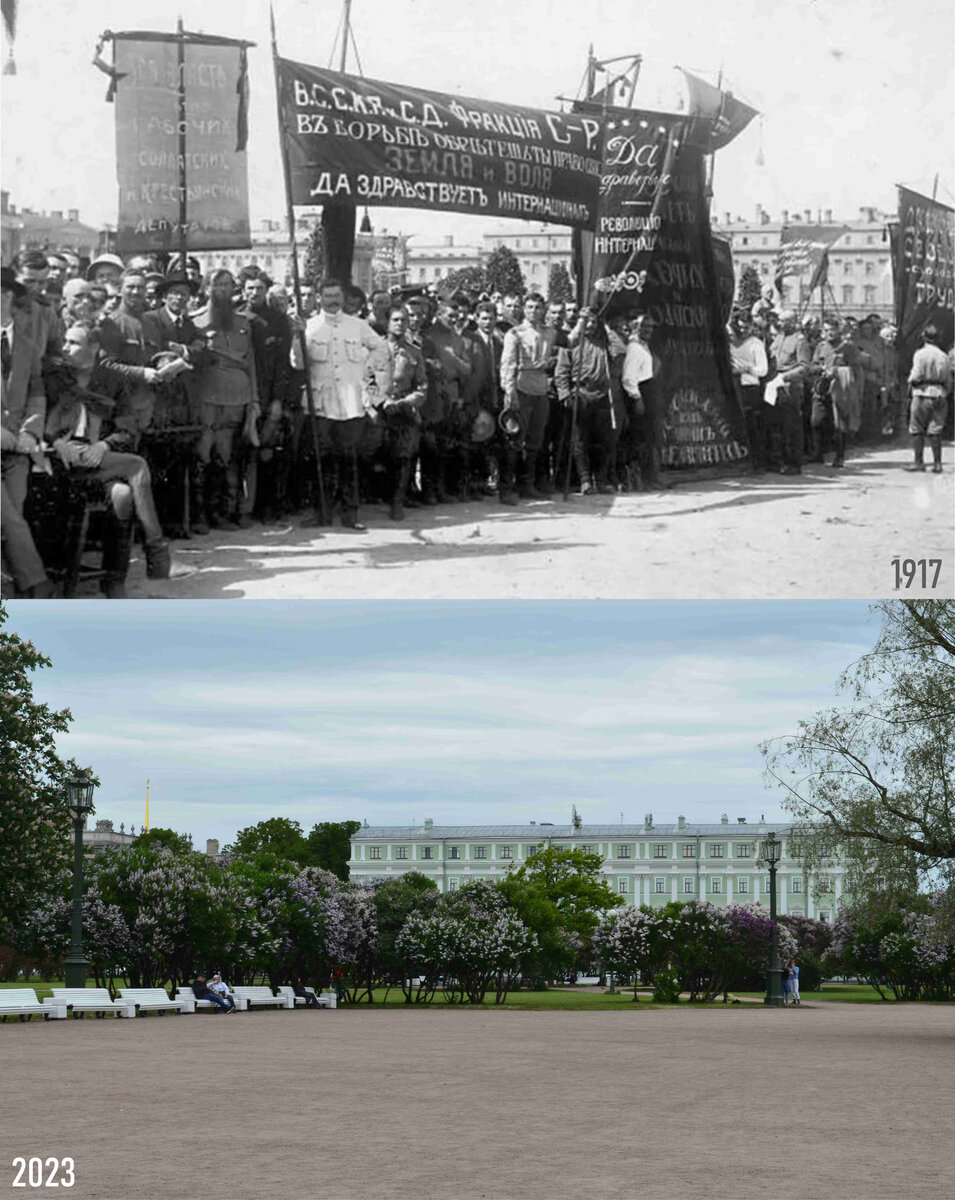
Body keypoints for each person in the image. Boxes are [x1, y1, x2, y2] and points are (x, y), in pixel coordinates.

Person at [43, 322, 181, 596]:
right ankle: (156, 549)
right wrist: (57, 442)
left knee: (122, 495)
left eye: (74, 343)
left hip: (97, 463)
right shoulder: (55, 378)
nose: (66, 348)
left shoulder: (111, 381)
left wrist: (104, 446)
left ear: (94, 348)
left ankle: (114, 579)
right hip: (57, 461)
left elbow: (127, 428)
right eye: (66, 342)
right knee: (138, 465)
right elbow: (38, 420)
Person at [291, 276, 383, 530]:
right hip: (320, 403)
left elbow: (380, 349)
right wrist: (297, 338)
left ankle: (350, 513)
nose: (333, 302)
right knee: (321, 460)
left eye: (337, 297)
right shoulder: (308, 326)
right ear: (319, 298)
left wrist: (363, 371)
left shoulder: (357, 326)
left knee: (348, 459)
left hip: (350, 403)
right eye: (328, 297)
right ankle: (321, 512)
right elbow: (298, 363)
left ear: (343, 298)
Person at [1, 266, 56, 598]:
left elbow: (37, 394)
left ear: (7, 297)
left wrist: (31, 433)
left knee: (13, 515)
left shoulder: (26, 344)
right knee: (9, 517)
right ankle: (38, 584)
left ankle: (8, 586)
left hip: (17, 451)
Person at [192, 269, 261, 528]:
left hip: (238, 398)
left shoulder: (244, 323)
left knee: (228, 457)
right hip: (208, 397)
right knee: (203, 456)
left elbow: (250, 363)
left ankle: (222, 512)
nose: (222, 289)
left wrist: (254, 399)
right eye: (217, 284)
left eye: (227, 284)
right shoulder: (196, 322)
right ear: (206, 288)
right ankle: (200, 514)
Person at [367, 304, 427, 520]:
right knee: (374, 454)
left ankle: (397, 503)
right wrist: (380, 402)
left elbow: (422, 386)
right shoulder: (375, 350)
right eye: (396, 320)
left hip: (403, 412)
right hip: (380, 411)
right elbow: (367, 380)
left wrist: (408, 401)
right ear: (387, 323)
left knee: (403, 457)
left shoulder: (414, 352)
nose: (400, 324)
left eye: (404, 320)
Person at [500, 291, 556, 499]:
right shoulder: (515, 333)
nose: (534, 311)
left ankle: (527, 485)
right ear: (524, 309)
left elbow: (567, 342)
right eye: (530, 307)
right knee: (514, 439)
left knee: (535, 441)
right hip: (521, 388)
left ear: (544, 310)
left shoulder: (549, 333)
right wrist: (509, 390)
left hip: (541, 389)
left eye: (538, 307)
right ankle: (506, 488)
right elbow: (508, 364)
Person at [555, 308, 616, 494]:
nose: (590, 325)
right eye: (586, 321)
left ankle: (601, 480)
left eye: (593, 322)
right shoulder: (572, 342)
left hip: (602, 396)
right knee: (579, 441)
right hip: (581, 394)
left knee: (603, 441)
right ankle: (584, 480)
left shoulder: (604, 343)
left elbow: (619, 348)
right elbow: (561, 371)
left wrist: (606, 326)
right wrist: (565, 394)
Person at [809, 317, 861, 468]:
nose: (829, 333)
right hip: (822, 387)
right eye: (826, 330)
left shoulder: (848, 347)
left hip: (840, 388)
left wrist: (838, 371)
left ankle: (839, 456)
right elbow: (813, 366)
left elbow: (856, 369)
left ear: (839, 330)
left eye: (832, 329)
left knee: (840, 423)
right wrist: (822, 369)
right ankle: (818, 453)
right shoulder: (821, 346)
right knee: (816, 420)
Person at [768, 309, 812, 474]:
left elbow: (804, 367)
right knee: (776, 425)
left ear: (793, 322)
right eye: (780, 320)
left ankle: (794, 463)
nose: (781, 323)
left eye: (785, 321)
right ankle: (778, 461)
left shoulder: (800, 341)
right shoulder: (778, 337)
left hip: (790, 387)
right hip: (774, 385)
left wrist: (785, 377)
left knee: (791, 426)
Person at [621, 313, 661, 489]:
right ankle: (638, 480)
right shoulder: (634, 348)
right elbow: (628, 377)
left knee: (648, 436)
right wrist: (637, 398)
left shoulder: (644, 347)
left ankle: (649, 478)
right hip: (640, 392)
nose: (648, 330)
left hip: (649, 389)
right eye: (643, 326)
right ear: (635, 326)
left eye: (651, 327)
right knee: (639, 437)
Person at [906, 325, 951, 473]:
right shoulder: (944, 356)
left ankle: (919, 462)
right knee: (936, 429)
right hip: (939, 392)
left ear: (924, 337)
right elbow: (948, 380)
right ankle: (937, 463)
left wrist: (911, 383)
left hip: (921, 392)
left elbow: (916, 375)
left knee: (917, 428)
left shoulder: (920, 354)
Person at [728, 308, 769, 473]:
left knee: (752, 427)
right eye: (740, 327)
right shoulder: (730, 343)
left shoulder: (755, 343)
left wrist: (746, 369)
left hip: (750, 388)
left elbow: (763, 370)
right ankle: (740, 462)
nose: (743, 330)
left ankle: (758, 463)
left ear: (751, 326)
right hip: (734, 388)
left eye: (746, 327)